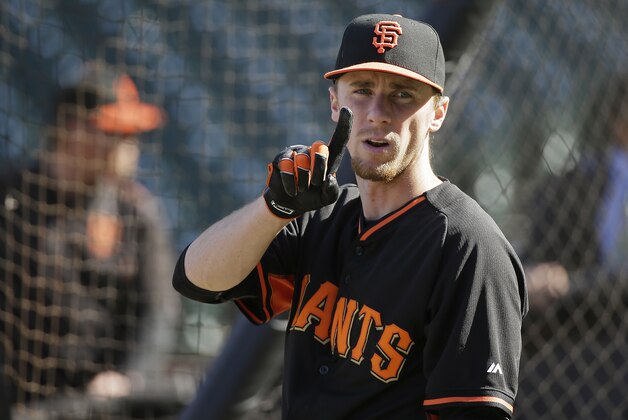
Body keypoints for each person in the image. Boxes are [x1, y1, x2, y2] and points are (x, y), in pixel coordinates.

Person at [173, 14, 527, 419]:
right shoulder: (320, 218)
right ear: (335, 103)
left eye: (402, 94)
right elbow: (196, 279)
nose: (377, 112)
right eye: (361, 90)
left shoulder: (470, 248)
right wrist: (273, 208)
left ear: (439, 112)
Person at [0, 61, 180, 411]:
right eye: (114, 133)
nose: (129, 146)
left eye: (131, 134)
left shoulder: (136, 212)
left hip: (94, 403)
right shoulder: (11, 192)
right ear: (71, 127)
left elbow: (159, 313)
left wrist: (129, 377)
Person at [516, 74, 628, 419]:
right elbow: (538, 252)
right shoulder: (574, 182)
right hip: (568, 342)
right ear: (616, 119)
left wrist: (571, 286)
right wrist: (534, 276)